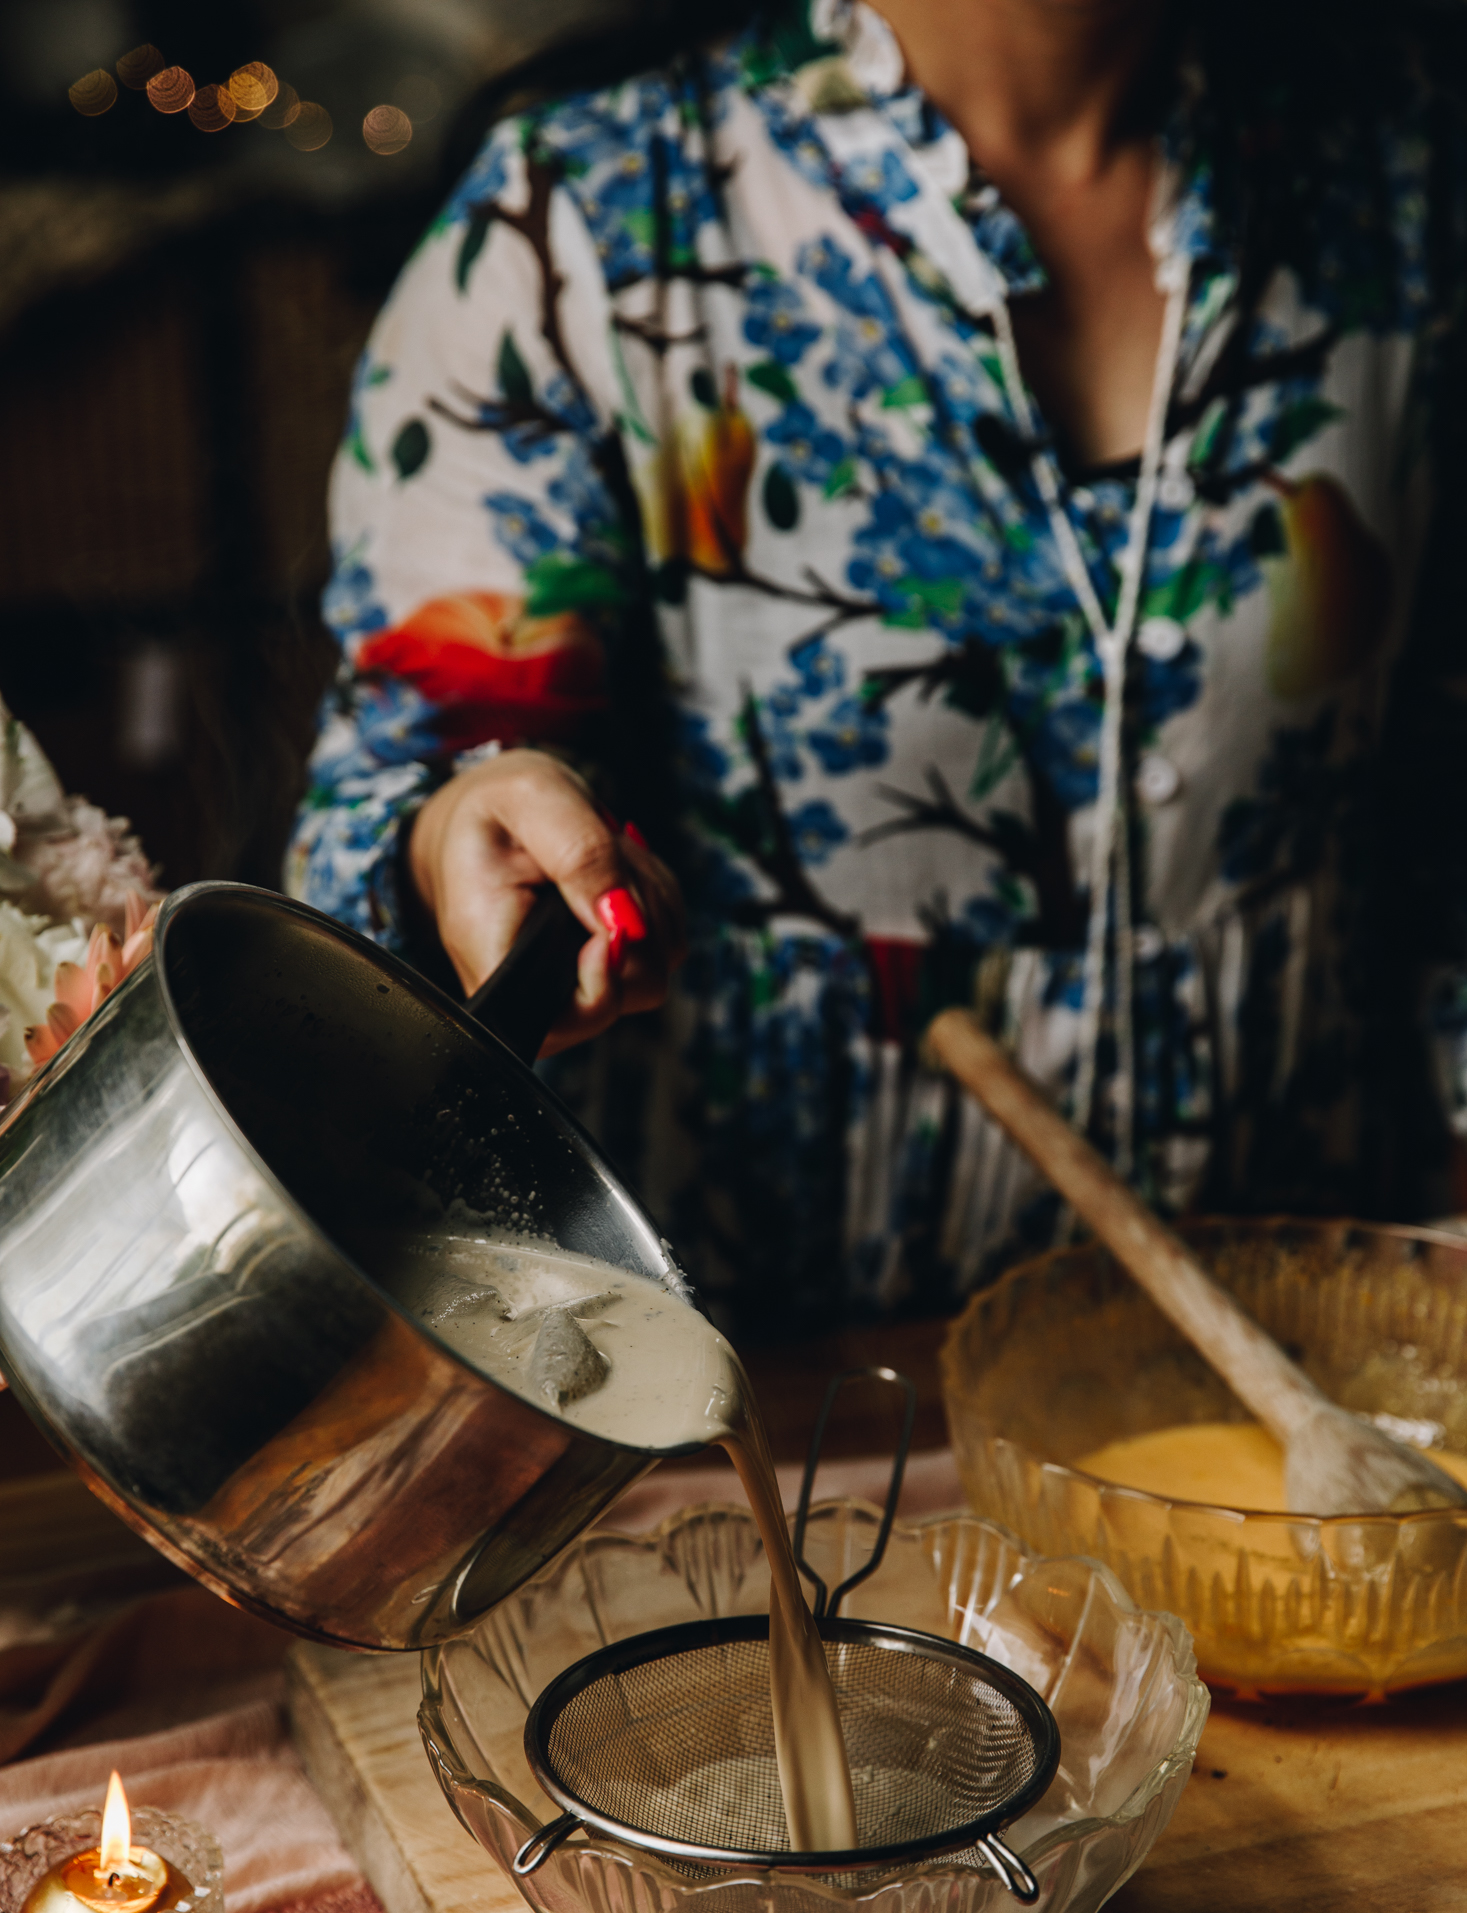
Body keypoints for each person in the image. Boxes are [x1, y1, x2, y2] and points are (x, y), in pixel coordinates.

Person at [287, 0, 1467, 1337]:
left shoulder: (1413, 175)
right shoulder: (584, 226)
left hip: (1304, 1366)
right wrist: (458, 839)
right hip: (774, 1403)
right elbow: (397, 800)